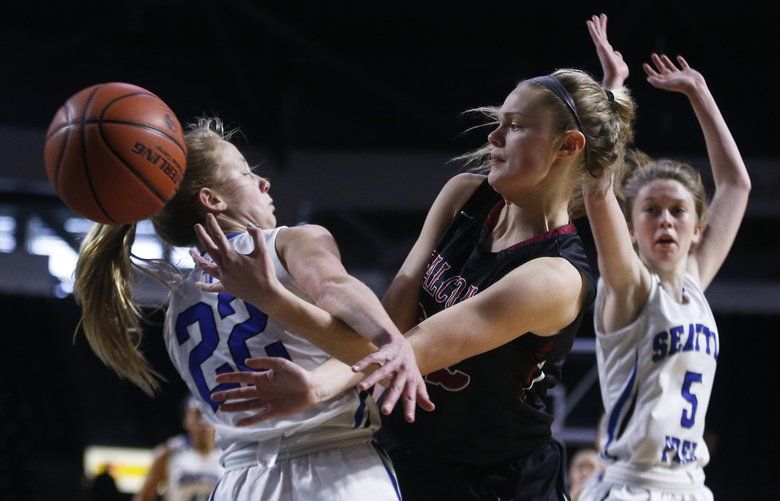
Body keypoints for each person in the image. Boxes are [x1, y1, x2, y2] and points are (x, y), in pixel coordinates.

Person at [192, 58, 636, 499]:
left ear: (568, 146)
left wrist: (273, 300)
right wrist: (316, 385)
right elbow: (389, 325)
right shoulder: (465, 195)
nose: (494, 137)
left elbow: (406, 355)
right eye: (498, 122)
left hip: (497, 481)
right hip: (407, 454)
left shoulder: (555, 276)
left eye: (516, 126)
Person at [73, 116, 435, 500]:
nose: (264, 183)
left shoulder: (179, 303)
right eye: (246, 174)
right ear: (213, 199)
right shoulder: (289, 241)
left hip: (240, 484)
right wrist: (393, 340)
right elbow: (334, 288)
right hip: (336, 469)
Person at [579, 14, 750, 500]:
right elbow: (597, 194)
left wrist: (700, 94)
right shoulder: (630, 288)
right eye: (651, 211)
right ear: (632, 229)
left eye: (678, 211)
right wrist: (612, 90)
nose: (666, 221)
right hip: (631, 486)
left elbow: (736, 185)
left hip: (690, 486)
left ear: (698, 229)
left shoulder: (694, 280)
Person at [134, 397, 222, 501]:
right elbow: (143, 497)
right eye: (197, 415)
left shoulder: (228, 455)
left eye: (208, 415)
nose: (203, 421)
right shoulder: (169, 452)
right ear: (185, 420)